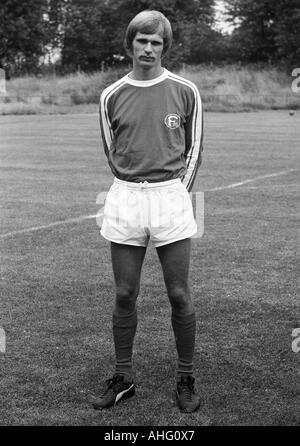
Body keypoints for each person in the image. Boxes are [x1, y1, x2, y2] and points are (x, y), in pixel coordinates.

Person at [94, 10, 203, 413]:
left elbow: (194, 149)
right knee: (125, 293)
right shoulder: (111, 95)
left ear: (165, 47)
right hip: (124, 198)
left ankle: (186, 376)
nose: (148, 48)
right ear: (130, 43)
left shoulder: (185, 90)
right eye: (142, 40)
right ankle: (123, 378)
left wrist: (173, 193)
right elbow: (111, 150)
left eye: (156, 42)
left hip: (170, 197)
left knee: (179, 294)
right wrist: (133, 188)